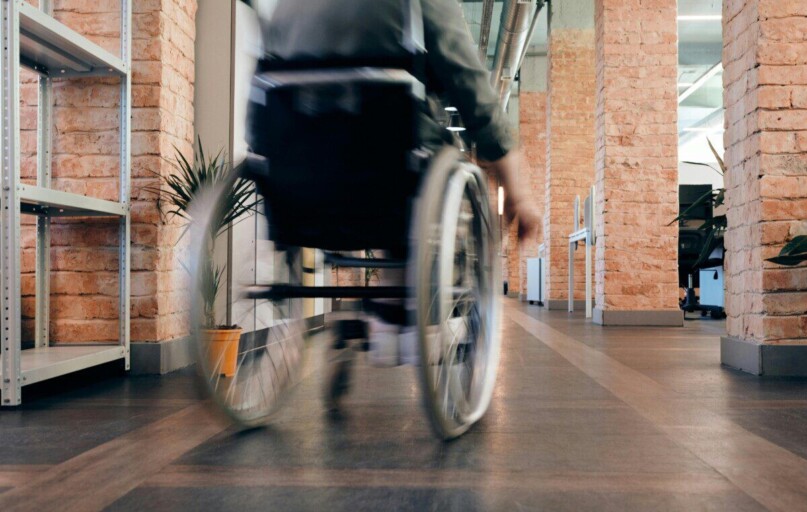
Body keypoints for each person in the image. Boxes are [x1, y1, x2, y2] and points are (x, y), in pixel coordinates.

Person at [243, 0, 541, 367]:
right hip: (386, 177)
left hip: (298, 184)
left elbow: (258, 100)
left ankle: (388, 311)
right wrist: (517, 190)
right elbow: (472, 89)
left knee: (388, 155)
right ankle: (410, 317)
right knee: (420, 161)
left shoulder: (283, 6)